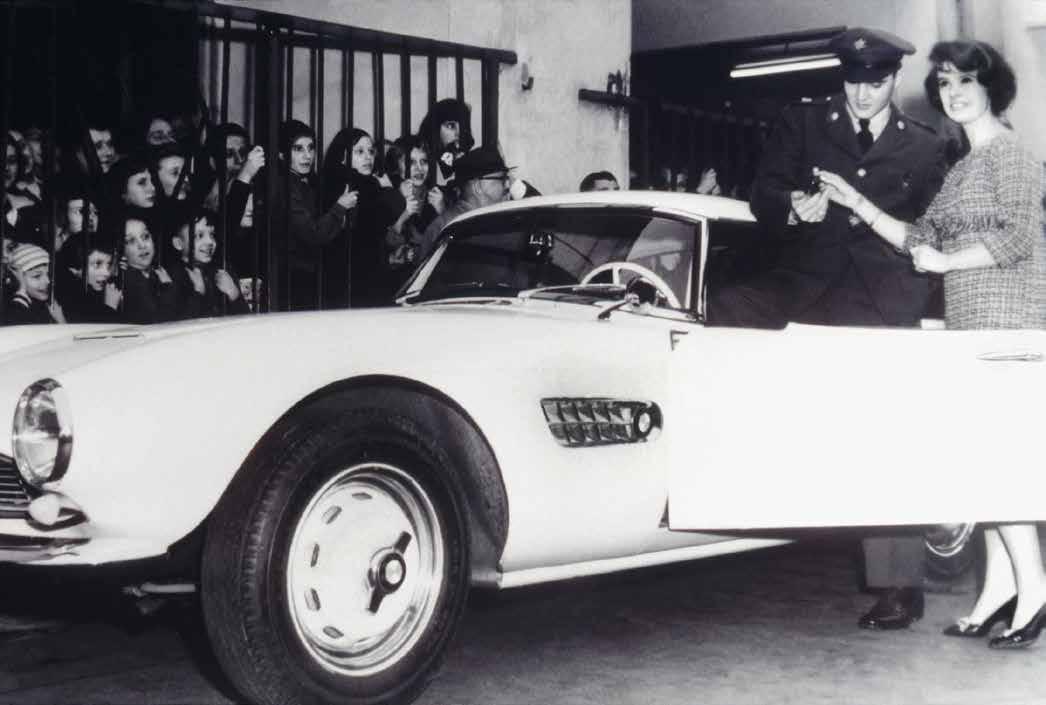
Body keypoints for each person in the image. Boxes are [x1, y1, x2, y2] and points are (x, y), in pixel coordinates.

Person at [710, 27, 951, 631]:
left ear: (894, 79)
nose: (863, 94)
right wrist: (793, 205)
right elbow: (763, 192)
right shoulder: (804, 123)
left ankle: (899, 585)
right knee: (725, 311)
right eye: (853, 81)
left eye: (876, 82)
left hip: (881, 301)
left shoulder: (925, 146)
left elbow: (932, 229)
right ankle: (733, 488)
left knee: (885, 436)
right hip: (808, 288)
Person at [817, 39, 1046, 648]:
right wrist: (857, 202)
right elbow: (918, 236)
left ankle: (1035, 590)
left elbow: (1018, 240)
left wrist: (946, 262)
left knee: (999, 464)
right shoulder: (964, 166)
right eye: (945, 83)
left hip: (1011, 323)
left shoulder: (1011, 156)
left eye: (966, 81)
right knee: (983, 463)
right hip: (973, 325)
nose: (954, 93)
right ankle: (999, 590)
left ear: (992, 88)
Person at [419, 146, 510, 256]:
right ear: (478, 187)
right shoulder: (447, 230)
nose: (507, 185)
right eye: (502, 179)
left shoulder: (486, 221)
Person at [3, 243, 63, 325]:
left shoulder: (48, 307)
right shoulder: (12, 310)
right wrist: (21, 290)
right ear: (17, 277)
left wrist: (61, 321)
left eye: (47, 274)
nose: (47, 281)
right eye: (37, 276)